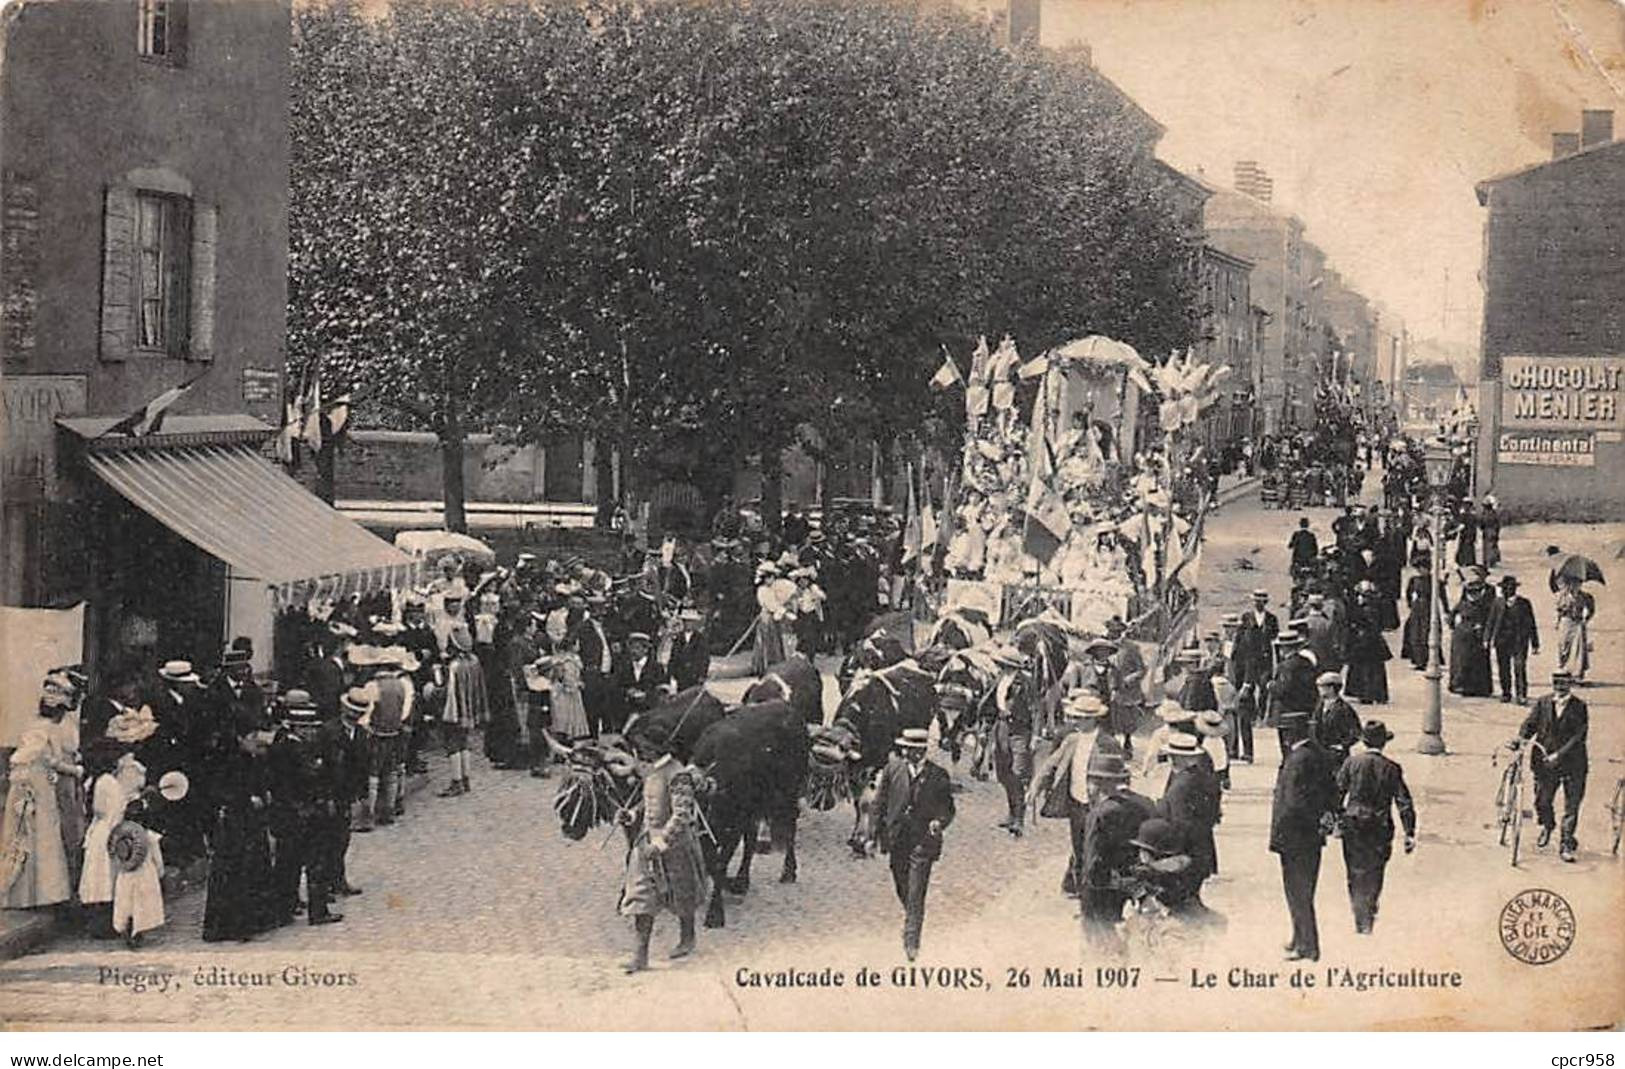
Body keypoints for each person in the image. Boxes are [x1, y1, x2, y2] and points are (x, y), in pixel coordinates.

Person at [618, 730, 709, 973]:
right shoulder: (654, 771)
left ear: (652, 749)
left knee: (682, 894)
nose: (639, 755)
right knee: (641, 895)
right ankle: (640, 955)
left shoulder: (678, 775)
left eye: (642, 749)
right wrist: (633, 814)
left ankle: (687, 938)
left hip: (675, 846)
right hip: (646, 841)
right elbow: (649, 800)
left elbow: (681, 815)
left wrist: (660, 843)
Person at [872, 728, 955, 961]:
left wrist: (940, 822)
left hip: (923, 842)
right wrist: (872, 835)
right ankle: (913, 916)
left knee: (917, 891)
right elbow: (879, 804)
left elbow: (948, 808)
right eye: (909, 750)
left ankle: (911, 941)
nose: (912, 754)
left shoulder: (938, 776)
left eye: (917, 750)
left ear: (923, 751)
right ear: (904, 749)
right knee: (902, 885)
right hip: (897, 839)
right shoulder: (893, 770)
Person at [201, 695, 278, 943]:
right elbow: (221, 791)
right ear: (240, 737)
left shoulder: (249, 757)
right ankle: (233, 925)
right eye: (252, 737)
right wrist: (248, 799)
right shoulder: (229, 760)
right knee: (236, 872)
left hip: (249, 821)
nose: (256, 741)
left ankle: (251, 921)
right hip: (235, 822)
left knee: (251, 869)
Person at [1028, 691, 1119, 897]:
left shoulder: (1108, 743)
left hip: (1097, 806)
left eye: (1083, 718)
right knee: (1079, 849)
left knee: (1093, 849)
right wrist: (1035, 787)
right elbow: (1051, 763)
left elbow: (1119, 774)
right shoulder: (1071, 739)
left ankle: (1088, 892)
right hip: (1076, 803)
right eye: (1077, 716)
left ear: (1094, 718)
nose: (1078, 721)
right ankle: (1079, 890)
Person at [1334, 720, 1415, 935]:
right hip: (1380, 825)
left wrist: (1335, 820)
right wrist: (1409, 832)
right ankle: (1369, 907)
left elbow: (1337, 794)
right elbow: (1403, 801)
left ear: (1363, 741)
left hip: (1353, 823)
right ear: (1383, 743)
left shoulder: (1352, 763)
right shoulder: (1392, 768)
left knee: (1354, 869)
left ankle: (1359, 913)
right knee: (1376, 869)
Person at [268, 691, 342, 925]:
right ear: (298, 727)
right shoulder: (296, 749)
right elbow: (312, 776)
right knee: (314, 862)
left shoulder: (280, 742)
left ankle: (284, 910)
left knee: (287, 863)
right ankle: (318, 911)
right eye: (308, 728)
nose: (312, 732)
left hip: (286, 812)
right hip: (304, 812)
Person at [1270, 710, 1336, 962]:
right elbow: (1330, 790)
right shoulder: (1315, 754)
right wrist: (1325, 816)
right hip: (1306, 836)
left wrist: (1313, 820)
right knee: (1302, 891)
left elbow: (1296, 801)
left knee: (1298, 892)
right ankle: (1299, 937)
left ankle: (1307, 945)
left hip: (1295, 835)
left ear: (1289, 734)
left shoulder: (1298, 759)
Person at [1077, 748, 1155, 951]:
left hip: (1104, 889)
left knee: (1101, 944)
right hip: (1140, 883)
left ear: (1098, 783)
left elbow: (1092, 860)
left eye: (1090, 781)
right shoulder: (1145, 804)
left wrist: (1087, 894)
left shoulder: (1100, 813)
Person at [1514, 672, 1589, 862]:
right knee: (1542, 801)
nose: (1560, 686)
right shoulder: (1543, 703)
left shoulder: (1579, 707)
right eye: (1556, 682)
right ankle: (1548, 825)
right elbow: (1529, 725)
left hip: (1573, 763)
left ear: (1571, 684)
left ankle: (1566, 843)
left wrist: (1559, 755)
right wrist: (1520, 739)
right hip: (1545, 763)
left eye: (1564, 682)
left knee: (1571, 806)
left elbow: (1578, 737)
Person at [1, 726, 74, 910]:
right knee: (31, 845)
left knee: (45, 844)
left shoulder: (37, 760)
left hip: (45, 805)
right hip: (34, 806)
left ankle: (46, 895)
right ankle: (33, 895)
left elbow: (53, 765)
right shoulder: (27, 763)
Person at [1155, 731, 1221, 890]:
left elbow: (1180, 822)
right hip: (1201, 847)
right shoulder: (1202, 777)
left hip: (1184, 852)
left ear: (1177, 758)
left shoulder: (1181, 786)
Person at [438, 623, 488, 797]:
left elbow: (448, 692)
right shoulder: (474, 661)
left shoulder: (454, 666)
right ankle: (466, 778)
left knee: (452, 743)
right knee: (464, 741)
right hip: (470, 708)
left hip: (455, 709)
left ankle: (456, 781)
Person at [989, 651, 1035, 838]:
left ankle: (1019, 819)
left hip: (1020, 729)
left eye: (1006, 664)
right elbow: (990, 702)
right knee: (1003, 773)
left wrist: (1036, 735)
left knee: (1018, 773)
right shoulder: (1000, 679)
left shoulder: (1025, 682)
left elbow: (1037, 708)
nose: (1003, 667)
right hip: (1001, 727)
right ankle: (1011, 813)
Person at [1490, 576, 1539, 705]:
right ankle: (1506, 693)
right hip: (1502, 641)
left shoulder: (1524, 603)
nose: (1505, 591)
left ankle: (1521, 694)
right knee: (1503, 668)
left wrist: (1535, 643)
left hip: (1519, 641)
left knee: (1520, 668)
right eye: (1503, 589)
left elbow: (1531, 623)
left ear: (1514, 589)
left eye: (1508, 588)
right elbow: (1491, 621)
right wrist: (1487, 638)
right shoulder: (1497, 603)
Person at [1447, 567, 1494, 697]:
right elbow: (1451, 616)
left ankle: (1479, 688)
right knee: (1462, 661)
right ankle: (1461, 685)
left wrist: (1482, 628)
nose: (1474, 596)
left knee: (1479, 663)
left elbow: (1490, 617)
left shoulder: (1485, 603)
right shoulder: (1463, 604)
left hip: (1478, 636)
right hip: (1462, 636)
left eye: (1476, 593)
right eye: (1472, 593)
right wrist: (1456, 627)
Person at [1343, 583, 1392, 704]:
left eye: (1361, 596)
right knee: (1375, 670)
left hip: (1366, 643)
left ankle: (1366, 694)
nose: (1358, 598)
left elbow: (1367, 626)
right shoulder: (1374, 608)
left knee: (1366, 670)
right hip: (1374, 644)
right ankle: (1377, 694)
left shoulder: (1366, 610)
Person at [615, 632, 671, 724]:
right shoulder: (624, 667)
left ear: (645, 650)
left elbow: (662, 690)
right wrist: (627, 692)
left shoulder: (656, 668)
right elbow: (616, 687)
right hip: (627, 713)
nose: (633, 651)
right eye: (631, 648)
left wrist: (646, 695)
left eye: (637, 648)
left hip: (650, 713)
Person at [1402, 569, 1448, 671]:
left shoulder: (1435, 581)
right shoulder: (1414, 580)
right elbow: (1408, 593)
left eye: (1423, 568)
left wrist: (1446, 610)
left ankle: (1429, 660)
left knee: (1427, 634)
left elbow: (1442, 596)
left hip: (1429, 609)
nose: (1421, 571)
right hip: (1416, 610)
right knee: (1415, 635)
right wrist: (1410, 604)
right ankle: (1418, 661)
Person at [1311, 673, 1361, 768]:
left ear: (1331, 688)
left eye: (1322, 686)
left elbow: (1356, 732)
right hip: (1319, 752)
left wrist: (1342, 745)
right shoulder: (1318, 705)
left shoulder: (1344, 709)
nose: (1319, 689)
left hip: (1337, 756)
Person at [1553, 577, 1595, 682]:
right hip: (1566, 621)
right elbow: (1558, 610)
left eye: (1578, 584)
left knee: (1579, 647)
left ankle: (1578, 673)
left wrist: (1586, 619)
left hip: (1578, 622)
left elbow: (1591, 609)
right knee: (1563, 645)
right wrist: (1558, 622)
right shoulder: (1563, 596)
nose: (1575, 586)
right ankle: (1563, 668)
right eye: (1572, 584)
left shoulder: (1585, 596)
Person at [668, 610, 711, 691]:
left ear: (695, 623)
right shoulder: (678, 638)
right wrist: (672, 674)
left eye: (690, 622)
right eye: (686, 621)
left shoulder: (700, 639)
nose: (688, 624)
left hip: (695, 676)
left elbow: (705, 658)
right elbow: (673, 657)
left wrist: (702, 675)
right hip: (681, 676)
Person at [1479, 497, 1502, 568]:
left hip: (1488, 531)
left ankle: (1488, 562)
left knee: (1488, 547)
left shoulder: (1486, 514)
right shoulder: (1494, 514)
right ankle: (1490, 562)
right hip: (1491, 531)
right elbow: (1498, 524)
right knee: (1491, 546)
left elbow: (1481, 523)